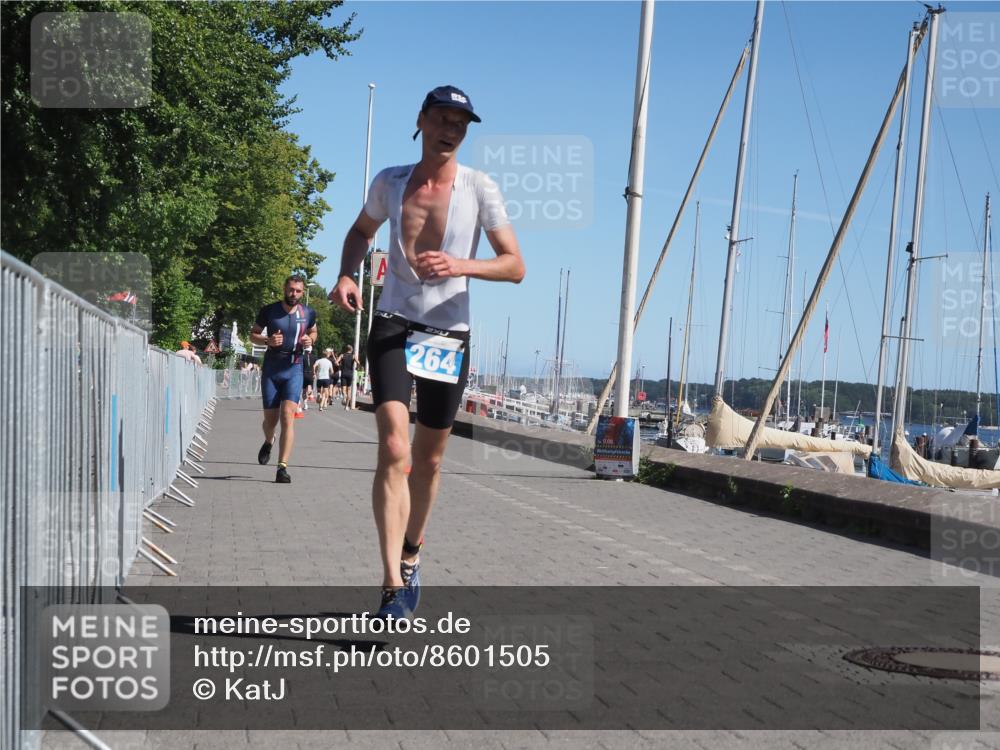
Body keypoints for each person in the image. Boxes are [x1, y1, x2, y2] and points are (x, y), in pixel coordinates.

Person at [330, 85, 524, 619]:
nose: (451, 128)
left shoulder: (480, 188)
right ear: (421, 120)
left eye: (461, 122)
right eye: (442, 117)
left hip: (446, 334)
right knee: (395, 446)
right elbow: (360, 230)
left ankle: (412, 552)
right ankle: (392, 580)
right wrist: (347, 273)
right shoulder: (390, 182)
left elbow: (515, 265)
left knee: (429, 459)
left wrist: (463, 265)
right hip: (392, 322)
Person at [250, 275, 317, 483]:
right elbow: (253, 334)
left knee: (288, 415)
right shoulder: (269, 310)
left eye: (298, 291)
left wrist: (309, 339)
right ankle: (269, 440)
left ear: (302, 292)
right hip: (272, 368)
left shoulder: (308, 313)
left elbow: (314, 332)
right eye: (291, 290)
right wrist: (267, 340)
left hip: (294, 368)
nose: (294, 294)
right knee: (271, 420)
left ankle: (282, 467)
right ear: (284, 289)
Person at [338, 345, 359, 410]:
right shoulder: (353, 356)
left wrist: (340, 366)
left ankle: (344, 396)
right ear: (351, 350)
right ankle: (346, 406)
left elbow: (336, 362)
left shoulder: (342, 355)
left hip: (343, 373)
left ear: (346, 349)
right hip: (350, 374)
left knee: (343, 389)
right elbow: (358, 362)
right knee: (349, 390)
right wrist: (356, 368)